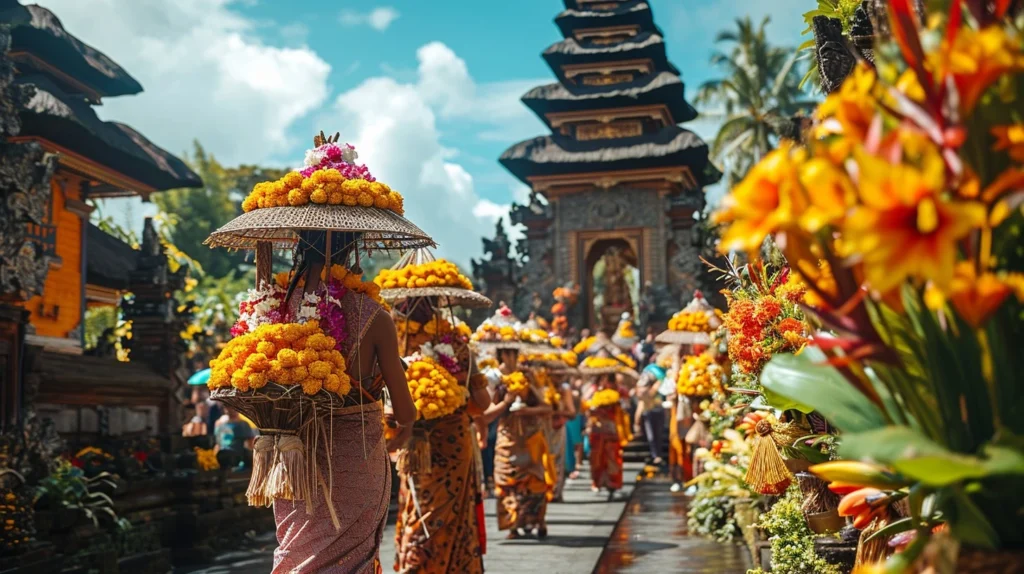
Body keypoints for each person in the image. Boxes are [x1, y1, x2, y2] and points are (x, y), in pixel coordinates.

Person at [272, 231, 417, 574]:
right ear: (352, 251)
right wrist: (404, 431)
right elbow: (406, 411)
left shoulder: (273, 309)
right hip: (357, 455)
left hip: (293, 457)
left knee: (299, 552)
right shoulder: (373, 315)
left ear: (299, 246)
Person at [392, 297, 489, 574]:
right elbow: (482, 402)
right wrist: (461, 384)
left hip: (410, 439)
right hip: (453, 442)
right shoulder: (457, 342)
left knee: (417, 505)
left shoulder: (397, 339)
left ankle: (415, 564)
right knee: (445, 510)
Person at [481, 348, 554, 539]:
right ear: (502, 355)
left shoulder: (528, 376)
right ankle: (512, 524)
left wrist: (527, 410)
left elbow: (546, 407)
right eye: (508, 353)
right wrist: (506, 403)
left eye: (514, 353)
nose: (513, 357)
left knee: (535, 481)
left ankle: (538, 520)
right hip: (507, 438)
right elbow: (486, 415)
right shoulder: (493, 377)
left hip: (530, 437)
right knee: (506, 481)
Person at [585, 374, 630, 501]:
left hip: (612, 427)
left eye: (607, 379)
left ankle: (613, 482)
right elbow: (585, 405)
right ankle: (597, 481)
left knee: (612, 455)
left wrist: (616, 403)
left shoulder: (619, 390)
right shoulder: (593, 389)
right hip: (597, 427)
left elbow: (626, 406)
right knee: (596, 456)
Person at [633, 369, 665, 466]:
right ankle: (655, 455)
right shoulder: (642, 390)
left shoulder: (657, 387)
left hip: (657, 411)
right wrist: (636, 422)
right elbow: (640, 404)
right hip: (648, 413)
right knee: (651, 435)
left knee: (658, 434)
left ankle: (657, 455)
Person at [563, 376, 585, 480]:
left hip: (572, 419)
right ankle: (573, 466)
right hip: (567, 420)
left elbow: (575, 410)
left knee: (574, 443)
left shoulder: (570, 391)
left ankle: (575, 465)